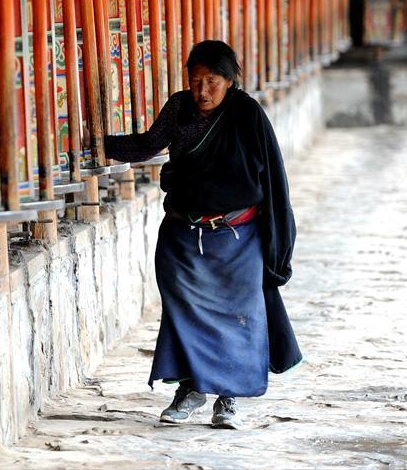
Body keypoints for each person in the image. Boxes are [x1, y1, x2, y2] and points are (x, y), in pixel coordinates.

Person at [104, 40, 301, 430]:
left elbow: (273, 179)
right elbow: (147, 145)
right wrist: (100, 144)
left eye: (212, 81)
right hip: (181, 234)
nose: (202, 91)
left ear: (229, 82)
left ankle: (228, 398)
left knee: (237, 315)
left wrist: (279, 244)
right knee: (183, 313)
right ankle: (190, 390)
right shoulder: (179, 108)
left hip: (236, 237)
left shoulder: (246, 115)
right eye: (195, 81)